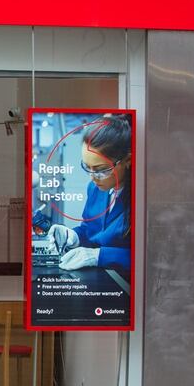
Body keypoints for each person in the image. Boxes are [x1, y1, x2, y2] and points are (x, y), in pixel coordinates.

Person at [48, 115, 132, 272]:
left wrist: (99, 256)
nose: (92, 177)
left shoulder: (141, 198)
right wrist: (74, 236)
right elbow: (90, 231)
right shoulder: (95, 189)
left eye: (100, 170)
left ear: (128, 160)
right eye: (87, 167)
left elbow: (148, 257)